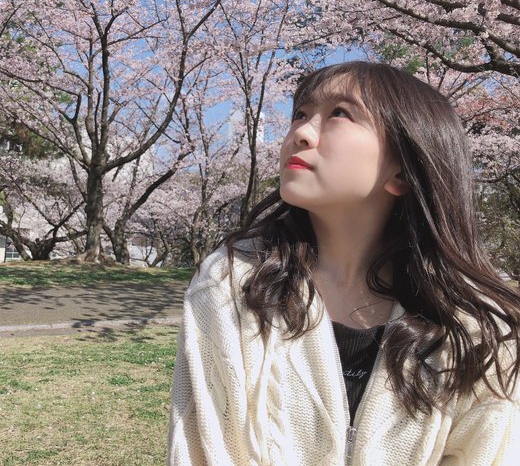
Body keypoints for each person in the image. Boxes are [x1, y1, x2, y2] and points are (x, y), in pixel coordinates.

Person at [167, 61, 520, 465]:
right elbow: (203, 448)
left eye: (339, 113)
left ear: (402, 173)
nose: (300, 132)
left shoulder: (478, 330)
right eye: (301, 113)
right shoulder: (232, 285)